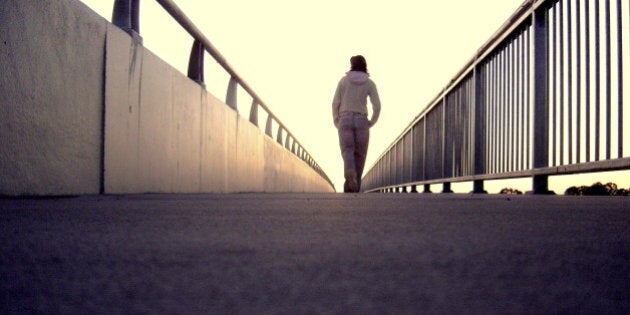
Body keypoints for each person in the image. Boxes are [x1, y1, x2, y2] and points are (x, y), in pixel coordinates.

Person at [332, 55, 381, 193]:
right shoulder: (369, 83)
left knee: (347, 150)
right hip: (362, 120)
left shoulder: (343, 81)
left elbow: (335, 102)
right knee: (360, 154)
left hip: (344, 118)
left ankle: (349, 173)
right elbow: (377, 106)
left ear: (351, 65)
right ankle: (355, 186)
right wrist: (372, 121)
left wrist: (336, 119)